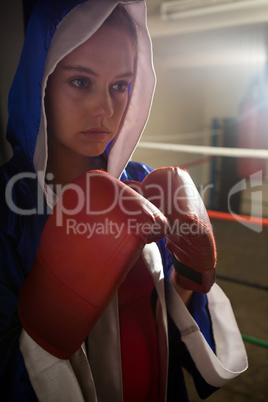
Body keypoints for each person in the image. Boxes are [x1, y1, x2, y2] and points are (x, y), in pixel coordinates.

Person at [0, 0, 248, 401]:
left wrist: (188, 274)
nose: (105, 108)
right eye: (81, 81)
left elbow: (170, 316)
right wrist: (54, 315)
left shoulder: (142, 182)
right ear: (40, 81)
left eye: (120, 85)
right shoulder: (11, 207)